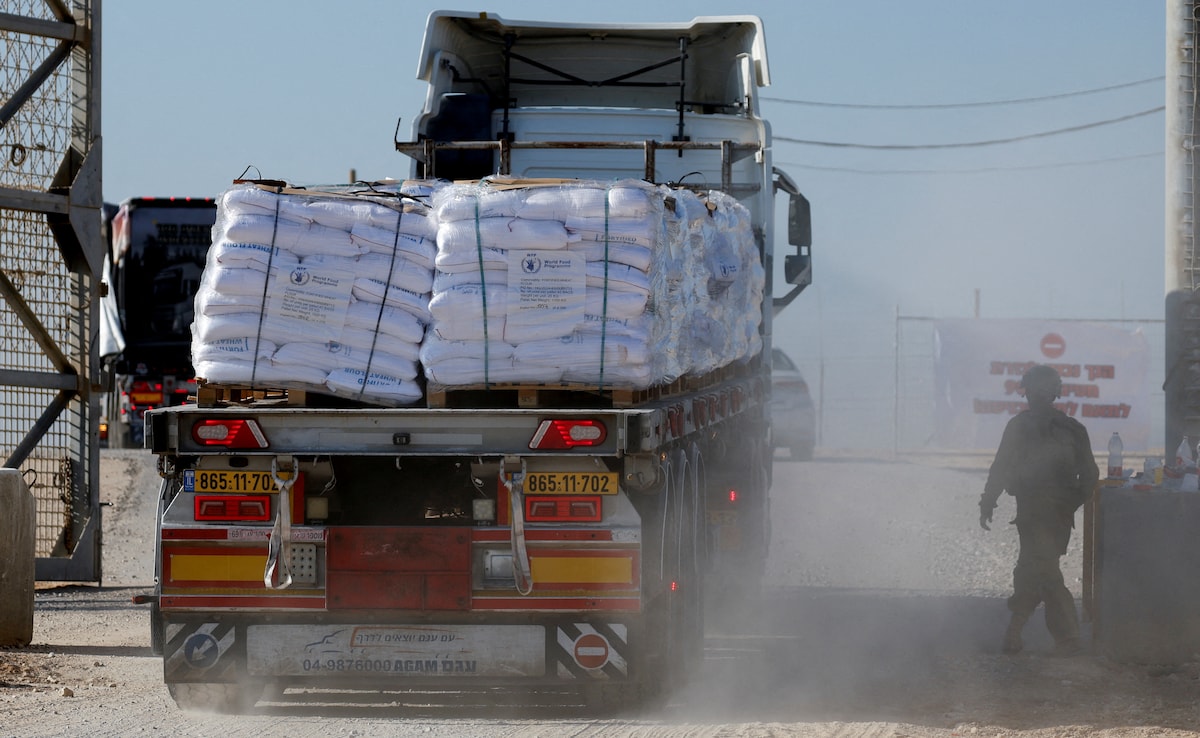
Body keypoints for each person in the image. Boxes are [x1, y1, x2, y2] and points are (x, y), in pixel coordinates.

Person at [979, 364, 1099, 656]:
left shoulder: (1026, 427)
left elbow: (1090, 476)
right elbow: (1090, 477)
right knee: (1038, 569)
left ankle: (1040, 635)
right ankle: (1051, 637)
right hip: (1043, 515)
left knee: (1039, 570)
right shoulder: (1070, 429)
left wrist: (989, 500)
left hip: (1041, 514)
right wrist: (1070, 504)